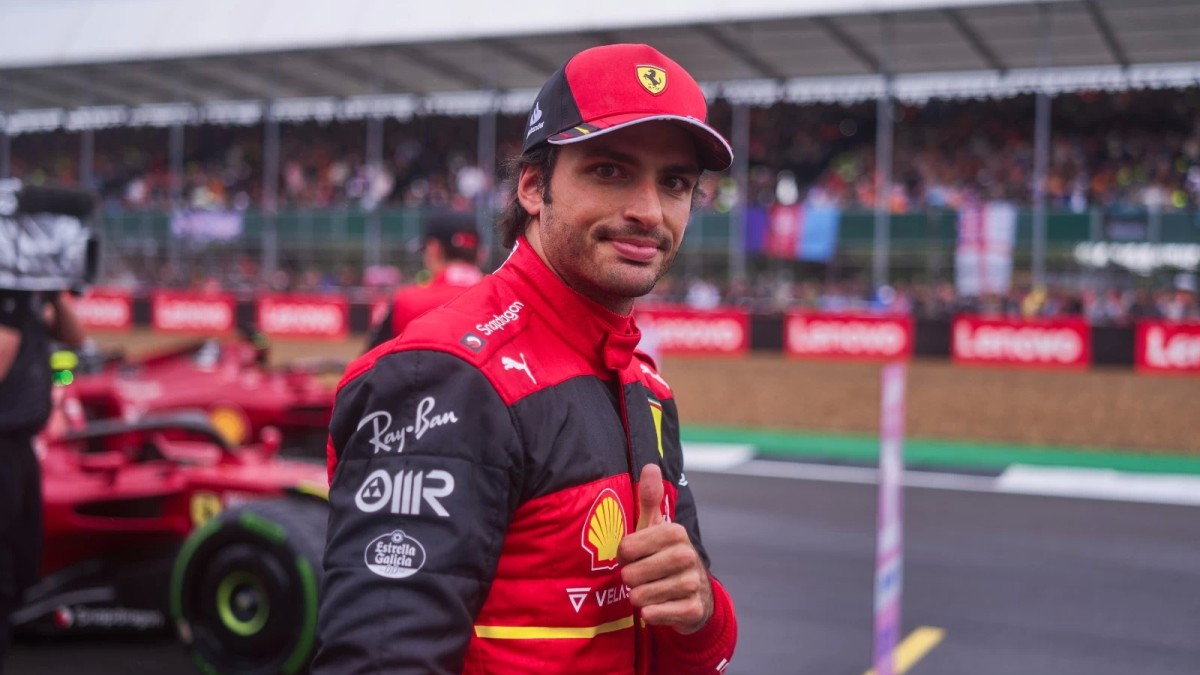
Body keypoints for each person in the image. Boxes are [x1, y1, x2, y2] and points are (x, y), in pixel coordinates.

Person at [315, 43, 737, 674]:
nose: (649, 211)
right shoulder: (449, 376)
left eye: (674, 182)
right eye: (610, 171)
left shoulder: (645, 386)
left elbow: (686, 643)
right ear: (535, 187)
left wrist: (699, 608)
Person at [0, 290, 84, 671]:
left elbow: (75, 337)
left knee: (24, 560)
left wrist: (54, 291)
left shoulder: (32, 293)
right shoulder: (9, 299)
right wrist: (12, 312)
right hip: (3, 445)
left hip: (23, 447)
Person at [365, 211, 484, 350]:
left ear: (433, 249)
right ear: (481, 254)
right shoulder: (502, 300)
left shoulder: (407, 301)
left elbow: (371, 359)